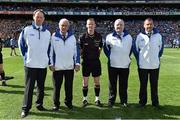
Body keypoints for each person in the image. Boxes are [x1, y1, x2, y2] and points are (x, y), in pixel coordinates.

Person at [18, 9, 51, 118]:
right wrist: (26, 57)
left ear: (44, 19)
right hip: (30, 65)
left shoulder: (47, 33)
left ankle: (39, 105)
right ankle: (25, 108)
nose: (39, 18)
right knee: (29, 87)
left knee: (41, 87)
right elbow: (21, 45)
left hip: (42, 65)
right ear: (33, 17)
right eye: (37, 16)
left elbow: (49, 48)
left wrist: (47, 60)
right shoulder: (27, 30)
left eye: (41, 17)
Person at [49, 18, 80, 111]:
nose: (64, 27)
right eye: (62, 25)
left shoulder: (72, 37)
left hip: (69, 67)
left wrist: (77, 63)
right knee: (56, 87)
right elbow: (50, 51)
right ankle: (56, 104)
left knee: (69, 87)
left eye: (66, 25)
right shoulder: (54, 36)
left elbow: (76, 51)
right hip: (57, 67)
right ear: (59, 26)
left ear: (68, 27)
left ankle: (68, 102)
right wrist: (51, 63)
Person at [133, 18, 164, 108]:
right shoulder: (139, 36)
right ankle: (142, 102)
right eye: (147, 24)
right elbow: (135, 50)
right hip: (143, 66)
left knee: (154, 85)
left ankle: (155, 102)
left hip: (155, 65)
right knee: (143, 85)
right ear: (144, 25)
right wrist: (140, 60)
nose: (149, 26)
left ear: (153, 25)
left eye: (150, 24)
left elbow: (161, 49)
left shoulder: (158, 35)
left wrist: (156, 58)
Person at [104, 19, 133, 108]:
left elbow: (131, 49)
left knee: (124, 85)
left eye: (121, 25)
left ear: (123, 26)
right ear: (114, 26)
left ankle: (123, 101)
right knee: (112, 84)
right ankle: (111, 101)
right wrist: (111, 57)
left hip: (124, 65)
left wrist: (126, 58)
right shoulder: (109, 37)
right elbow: (106, 49)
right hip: (113, 65)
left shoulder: (129, 37)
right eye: (117, 25)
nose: (119, 26)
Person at [79, 18, 103, 107]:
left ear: (95, 25)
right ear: (86, 25)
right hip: (86, 62)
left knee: (97, 82)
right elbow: (80, 49)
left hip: (96, 62)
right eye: (89, 24)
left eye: (92, 24)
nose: (90, 26)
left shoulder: (99, 36)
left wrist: (97, 55)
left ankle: (97, 99)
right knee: (85, 82)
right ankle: (85, 99)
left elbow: (101, 47)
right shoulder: (82, 37)